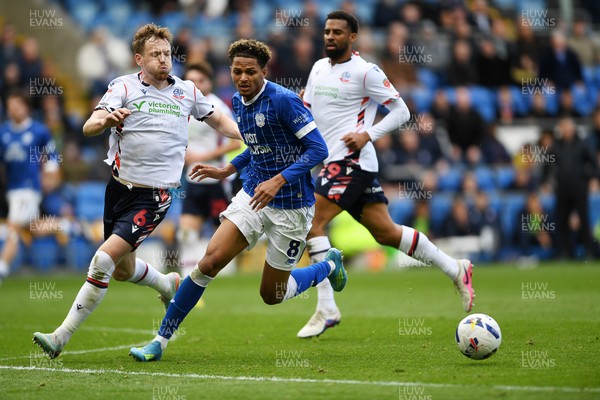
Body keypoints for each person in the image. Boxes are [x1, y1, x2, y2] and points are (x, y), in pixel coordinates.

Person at [32, 23, 242, 359]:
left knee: (102, 260)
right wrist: (107, 119)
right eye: (155, 54)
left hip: (154, 195)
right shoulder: (123, 87)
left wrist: (245, 135)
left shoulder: (186, 91)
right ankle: (165, 283)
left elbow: (219, 120)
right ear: (138, 59)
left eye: (166, 53)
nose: (163, 59)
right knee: (123, 270)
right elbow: (89, 125)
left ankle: (60, 336)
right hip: (117, 190)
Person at [129, 39, 346, 362]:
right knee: (209, 262)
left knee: (272, 295)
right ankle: (160, 340)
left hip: (292, 206)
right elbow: (257, 146)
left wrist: (279, 179)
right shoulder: (237, 102)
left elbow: (318, 150)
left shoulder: (284, 101)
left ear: (264, 71)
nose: (243, 78)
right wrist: (227, 169)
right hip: (253, 195)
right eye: (237, 71)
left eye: (250, 72)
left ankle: (328, 264)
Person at [297, 10, 475, 339]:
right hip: (331, 163)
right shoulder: (318, 68)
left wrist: (368, 135)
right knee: (386, 233)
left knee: (312, 223)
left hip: (353, 161)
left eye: (337, 32)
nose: (330, 37)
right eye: (326, 31)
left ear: (353, 38)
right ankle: (456, 268)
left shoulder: (366, 72)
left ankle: (326, 307)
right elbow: (306, 111)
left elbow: (402, 111)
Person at [178, 62, 241, 277]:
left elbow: (236, 143)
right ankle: (186, 278)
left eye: (200, 80)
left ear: (209, 82)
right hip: (193, 181)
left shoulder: (217, 107)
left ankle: (224, 277)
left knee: (221, 236)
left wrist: (200, 158)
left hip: (216, 180)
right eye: (191, 81)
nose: (195, 85)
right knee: (186, 233)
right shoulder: (181, 106)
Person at [0, 90, 61, 283]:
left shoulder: (38, 131)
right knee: (30, 227)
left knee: (13, 227)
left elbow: (52, 154)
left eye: (17, 106)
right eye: (10, 107)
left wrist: (51, 173)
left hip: (28, 189)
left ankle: (1, 268)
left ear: (25, 107)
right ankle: (67, 226)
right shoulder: (4, 133)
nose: (13, 110)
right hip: (11, 190)